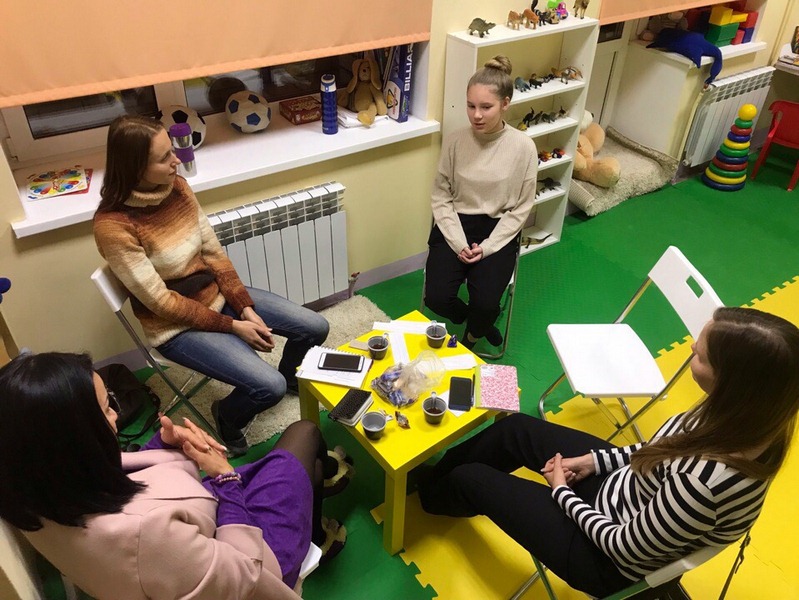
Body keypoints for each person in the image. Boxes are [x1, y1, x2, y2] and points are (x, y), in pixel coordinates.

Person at [418, 307, 799, 597]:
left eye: (701, 355)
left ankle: (430, 498)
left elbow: (623, 548)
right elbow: (661, 448)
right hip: (625, 491)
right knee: (515, 428)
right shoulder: (745, 416)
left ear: (731, 382)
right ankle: (432, 479)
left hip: (604, 558)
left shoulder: (701, 485)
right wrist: (594, 461)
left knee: (470, 478)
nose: (690, 349)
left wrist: (561, 491)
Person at [0, 352, 348, 599]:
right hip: (250, 560)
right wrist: (225, 477)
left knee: (308, 466)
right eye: (107, 409)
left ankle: (318, 487)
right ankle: (317, 528)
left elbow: (120, 469)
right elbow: (245, 575)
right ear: (76, 439)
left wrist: (163, 444)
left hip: (205, 530)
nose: (117, 416)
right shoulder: (147, 535)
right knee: (305, 432)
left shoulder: (38, 483)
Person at [94, 115, 329, 455]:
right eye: (164, 157)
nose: (177, 160)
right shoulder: (113, 227)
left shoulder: (178, 188)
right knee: (270, 387)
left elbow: (213, 253)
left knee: (315, 327)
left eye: (172, 150)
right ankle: (228, 416)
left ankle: (291, 376)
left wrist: (245, 306)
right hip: (175, 328)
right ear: (134, 168)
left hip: (218, 299)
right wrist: (233, 326)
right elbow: (162, 303)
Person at [424, 55, 537, 350]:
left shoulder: (524, 147)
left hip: (498, 228)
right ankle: (476, 321)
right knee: (436, 298)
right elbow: (441, 195)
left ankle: (472, 336)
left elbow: (522, 207)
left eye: (486, 107)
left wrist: (487, 247)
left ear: (505, 104)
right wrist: (458, 241)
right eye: (470, 106)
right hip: (455, 223)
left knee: (486, 303)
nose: (476, 115)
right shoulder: (455, 141)